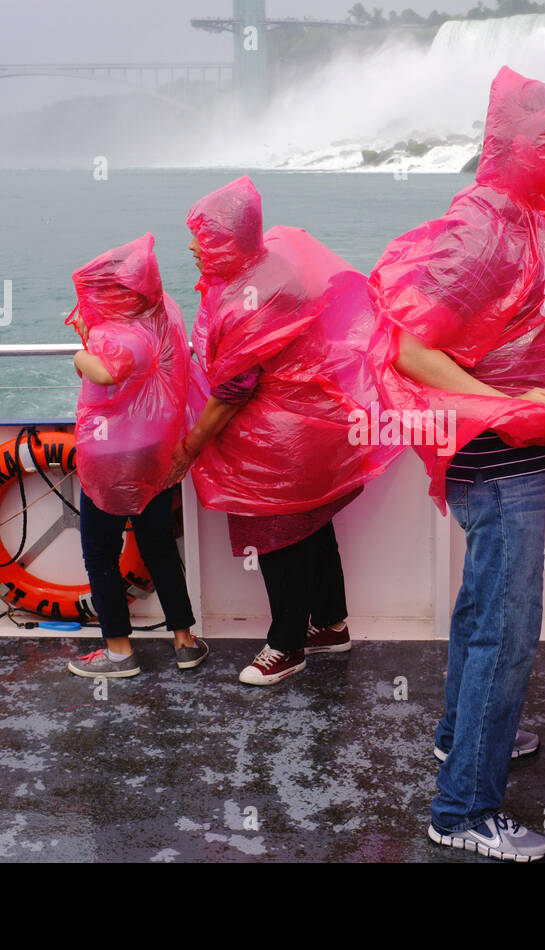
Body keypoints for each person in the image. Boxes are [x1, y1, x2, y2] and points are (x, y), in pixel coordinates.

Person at [369, 67, 545, 862]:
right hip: (498, 458)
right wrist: (504, 406)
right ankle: (463, 807)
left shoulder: (527, 218)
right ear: (531, 147)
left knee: (479, 614)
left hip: (509, 456)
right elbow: (411, 346)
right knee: (506, 631)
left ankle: (454, 738)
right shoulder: (486, 229)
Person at [174, 176, 399, 686]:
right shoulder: (269, 268)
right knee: (313, 528)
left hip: (279, 444)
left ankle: (287, 645)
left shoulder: (253, 295)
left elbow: (234, 387)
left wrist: (190, 447)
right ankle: (331, 624)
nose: (190, 246)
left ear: (228, 240)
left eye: (199, 236)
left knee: (278, 538)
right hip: (309, 429)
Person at [64, 234, 205, 678]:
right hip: (153, 453)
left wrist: (79, 354)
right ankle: (184, 641)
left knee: (100, 552)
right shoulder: (165, 315)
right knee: (158, 545)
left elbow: (107, 370)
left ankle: (119, 652)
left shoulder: (115, 332)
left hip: (108, 458)